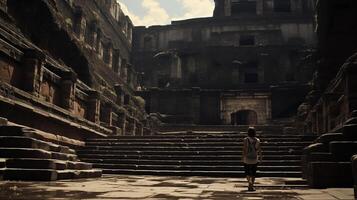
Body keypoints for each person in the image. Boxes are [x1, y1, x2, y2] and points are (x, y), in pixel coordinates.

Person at [242, 127, 262, 191]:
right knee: (253, 172)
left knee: (247, 171)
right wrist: (261, 158)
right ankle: (252, 186)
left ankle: (249, 182)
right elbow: (259, 150)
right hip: (254, 158)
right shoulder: (258, 140)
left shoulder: (246, 139)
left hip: (247, 158)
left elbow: (244, 149)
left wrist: (242, 157)